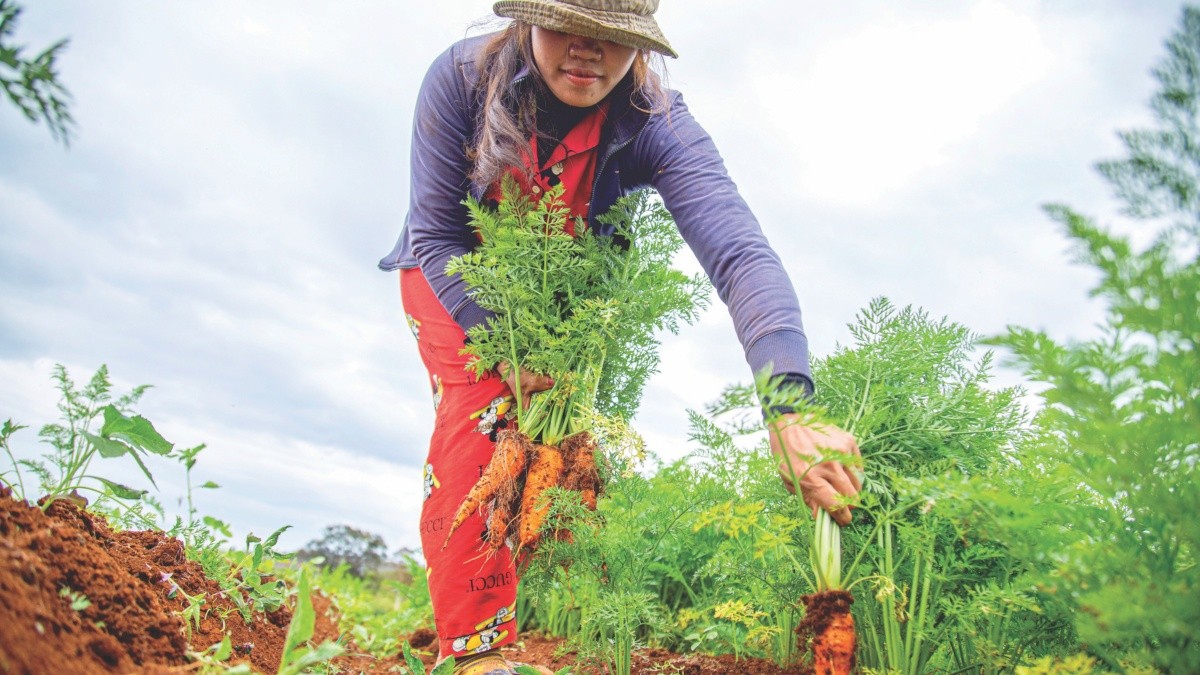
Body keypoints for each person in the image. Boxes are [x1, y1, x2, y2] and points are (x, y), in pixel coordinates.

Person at [378, 1, 863, 672]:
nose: (588, 51)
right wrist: (500, 342)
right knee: (486, 412)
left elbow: (742, 256)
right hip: (450, 276)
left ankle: (490, 597)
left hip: (562, 298)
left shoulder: (656, 122)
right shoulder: (461, 78)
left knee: (549, 455)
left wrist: (789, 405)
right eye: (567, 28)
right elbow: (437, 232)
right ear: (528, 21)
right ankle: (476, 653)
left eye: (612, 38)